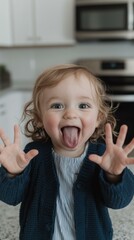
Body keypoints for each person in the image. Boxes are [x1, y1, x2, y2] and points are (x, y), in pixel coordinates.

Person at [0, 64, 134, 240]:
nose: (70, 114)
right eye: (57, 105)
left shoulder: (102, 156)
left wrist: (114, 176)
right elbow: (11, 197)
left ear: (98, 118)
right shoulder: (33, 154)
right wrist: (12, 174)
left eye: (83, 105)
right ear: (40, 119)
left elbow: (118, 202)